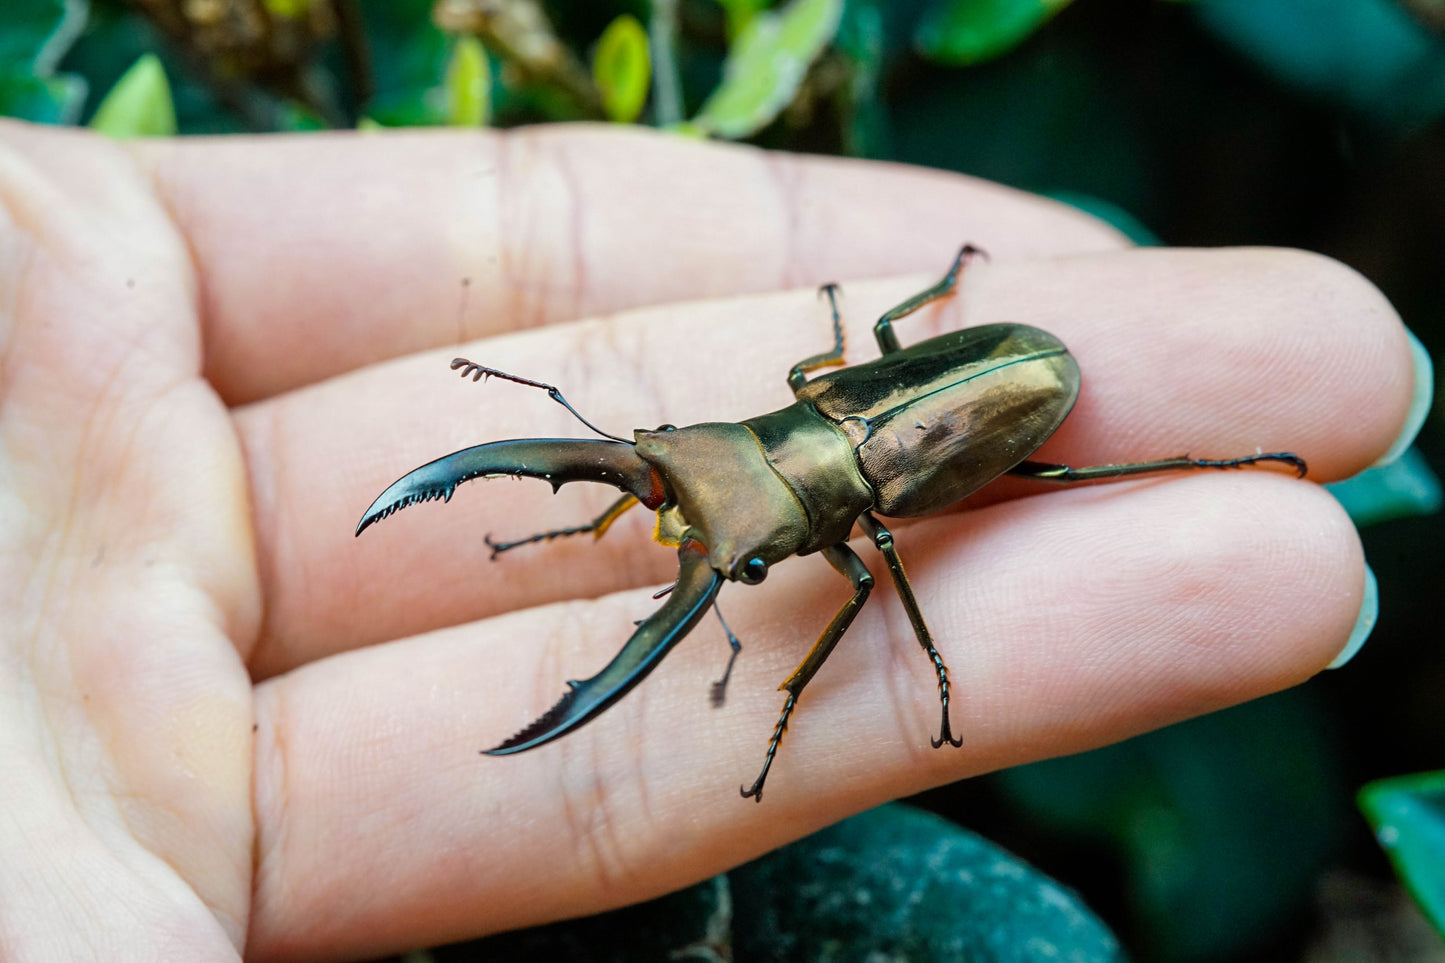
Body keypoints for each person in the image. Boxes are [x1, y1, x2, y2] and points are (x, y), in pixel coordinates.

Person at [0, 118, 1416, 961]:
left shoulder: (859, 512)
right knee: (854, 394)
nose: (698, 529)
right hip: (889, 402)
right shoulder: (799, 411)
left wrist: (868, 678)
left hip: (995, 385)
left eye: (728, 549)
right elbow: (717, 471)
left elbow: (890, 599)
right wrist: (654, 477)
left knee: (1028, 492)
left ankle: (1206, 455)